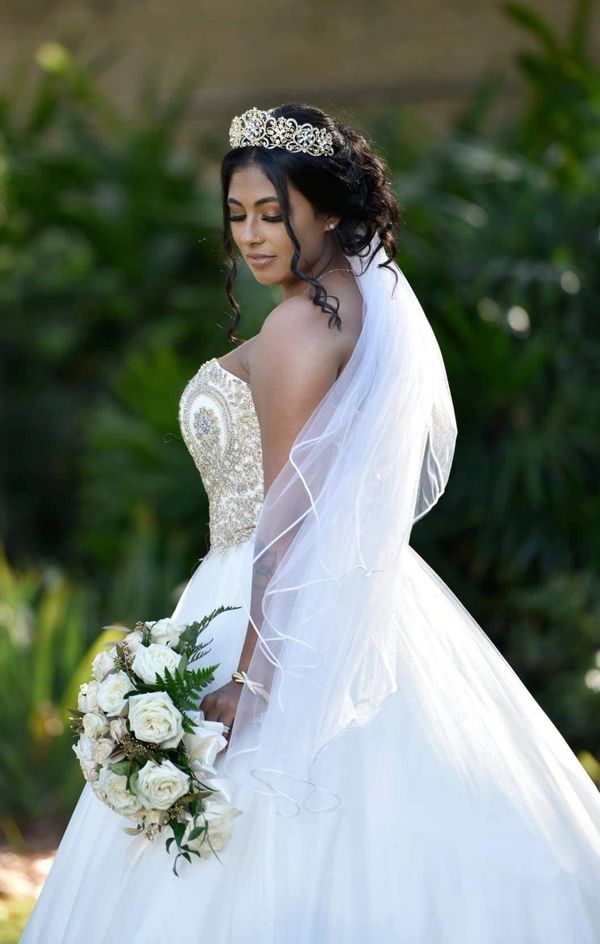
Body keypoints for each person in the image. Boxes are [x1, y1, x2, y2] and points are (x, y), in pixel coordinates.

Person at [21, 104, 600, 944]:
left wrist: (248, 681)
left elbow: (286, 521)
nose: (252, 237)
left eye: (272, 213)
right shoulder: (352, 301)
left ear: (327, 209)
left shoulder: (299, 327)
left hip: (272, 602)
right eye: (237, 216)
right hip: (330, 589)